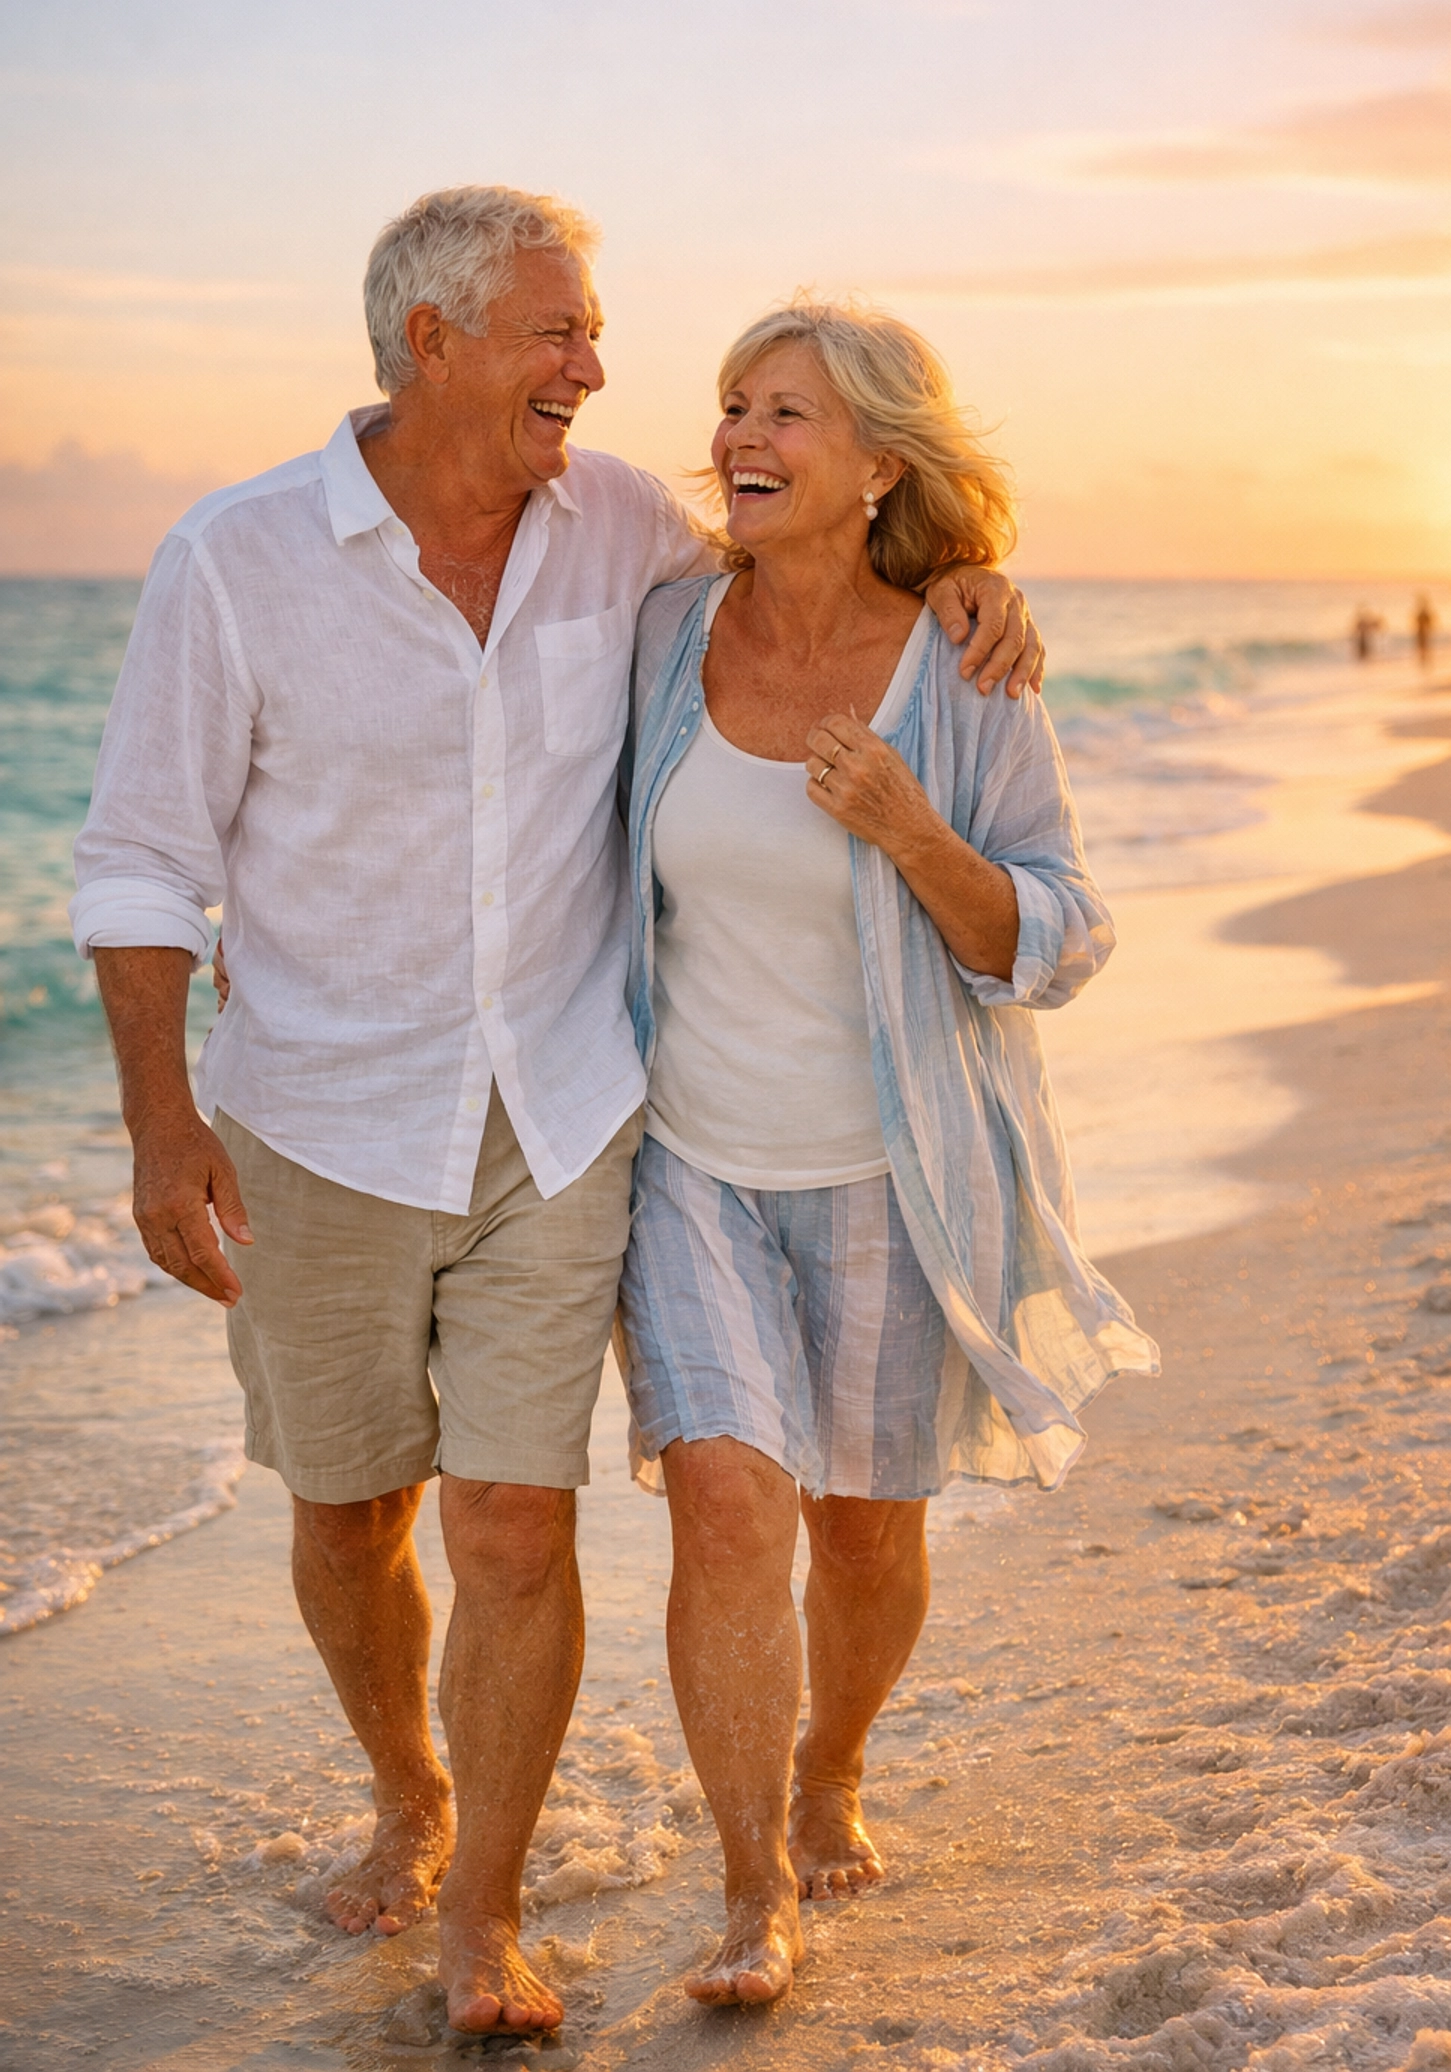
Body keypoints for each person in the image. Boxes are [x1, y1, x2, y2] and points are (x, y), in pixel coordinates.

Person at [68, 187, 1036, 2039]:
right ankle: (409, 1789)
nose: (599, 369)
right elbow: (137, 861)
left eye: (591, 334)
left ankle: (484, 1910)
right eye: (556, 333)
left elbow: (826, 575)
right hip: (316, 1116)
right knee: (351, 1510)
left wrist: (981, 584)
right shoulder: (237, 557)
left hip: (569, 1108)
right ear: (430, 342)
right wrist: (159, 1122)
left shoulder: (624, 535)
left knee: (516, 1521)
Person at [616, 297, 1158, 2007]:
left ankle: (831, 1756)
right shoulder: (660, 630)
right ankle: (749, 1883)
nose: (742, 435)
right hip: (685, 1152)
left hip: (891, 1167)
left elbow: (1061, 937)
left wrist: (915, 829)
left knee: (860, 1529)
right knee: (724, 1497)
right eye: (731, 403)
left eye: (789, 411)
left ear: (875, 469)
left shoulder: (965, 665)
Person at [1414, 592, 1437, 665]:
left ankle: (1425, 660)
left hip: (1423, 632)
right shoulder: (1422, 613)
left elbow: (1429, 622)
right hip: (1421, 632)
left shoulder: (1423, 613)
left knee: (1424, 646)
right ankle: (1424, 660)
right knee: (1423, 646)